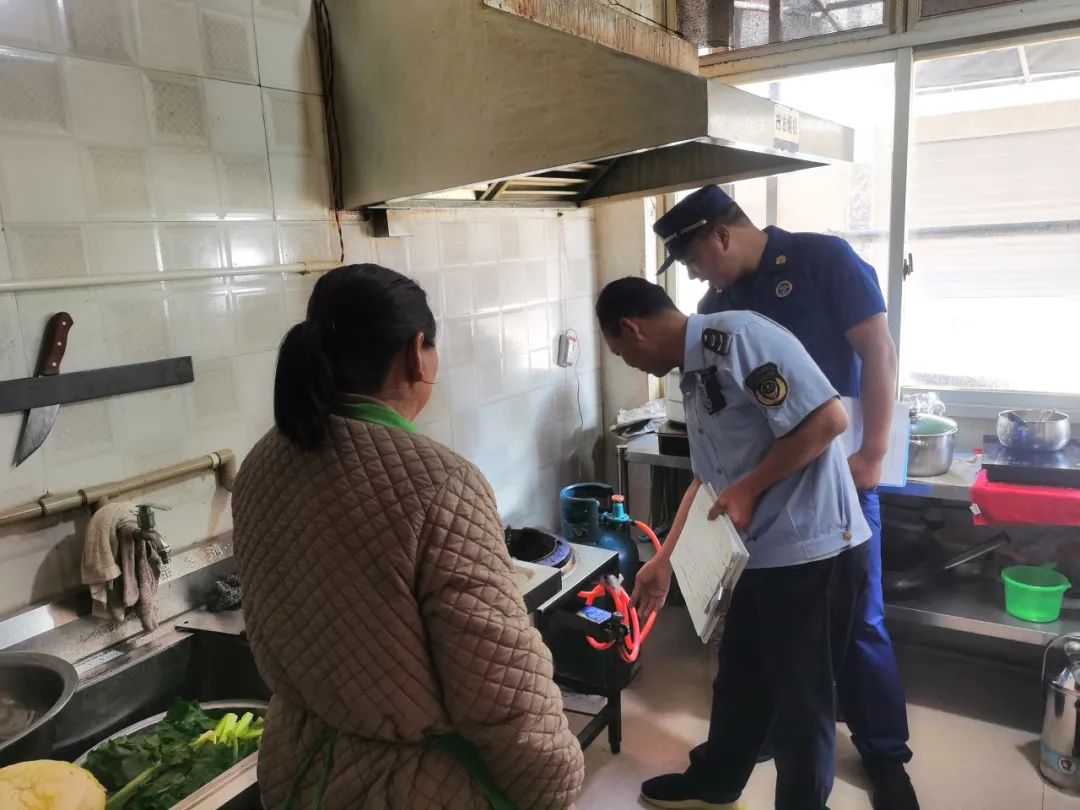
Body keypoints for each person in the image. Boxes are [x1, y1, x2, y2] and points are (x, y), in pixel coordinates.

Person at [231, 264, 584, 810]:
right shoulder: (441, 482)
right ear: (418, 353)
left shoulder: (262, 462)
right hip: (410, 786)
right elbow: (498, 681)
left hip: (295, 768)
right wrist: (555, 780)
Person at [655, 185, 916, 810]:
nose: (693, 274)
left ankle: (885, 756)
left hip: (836, 477)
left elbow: (877, 350)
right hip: (765, 494)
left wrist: (873, 452)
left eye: (692, 258)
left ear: (722, 235)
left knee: (857, 625)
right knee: (756, 637)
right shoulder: (716, 306)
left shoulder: (822, 260)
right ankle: (751, 748)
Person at [596, 276, 870, 810]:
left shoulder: (739, 339)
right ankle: (716, 782)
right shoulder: (693, 376)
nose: (629, 363)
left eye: (622, 353)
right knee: (741, 678)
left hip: (813, 552)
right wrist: (664, 559)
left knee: (801, 702)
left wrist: (750, 487)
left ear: (632, 328)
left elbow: (828, 420)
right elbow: (708, 480)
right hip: (759, 555)